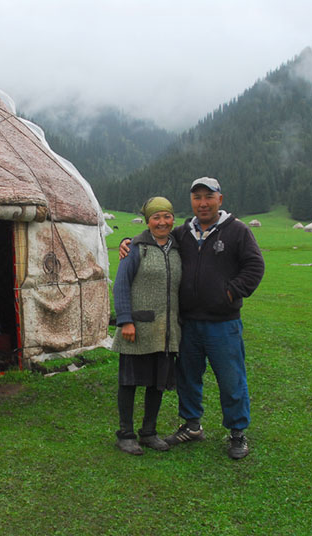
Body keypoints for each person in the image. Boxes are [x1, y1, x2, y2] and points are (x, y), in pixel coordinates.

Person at [119, 177, 264, 459]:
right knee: (188, 377)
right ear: (191, 202)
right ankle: (192, 425)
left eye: (208, 197)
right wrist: (129, 242)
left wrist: (231, 293)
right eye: (197, 197)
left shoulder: (237, 231)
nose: (203, 202)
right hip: (188, 323)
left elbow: (255, 265)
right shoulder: (183, 233)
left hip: (223, 323)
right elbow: (153, 239)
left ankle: (237, 433)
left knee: (231, 378)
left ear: (220, 199)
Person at [112, 197, 181, 455]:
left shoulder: (178, 248)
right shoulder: (135, 248)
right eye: (156, 217)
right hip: (137, 327)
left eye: (167, 216)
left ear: (173, 218)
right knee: (129, 381)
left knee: (157, 382)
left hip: (166, 329)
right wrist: (125, 320)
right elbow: (120, 285)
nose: (162, 222)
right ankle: (125, 434)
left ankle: (149, 432)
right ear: (147, 221)